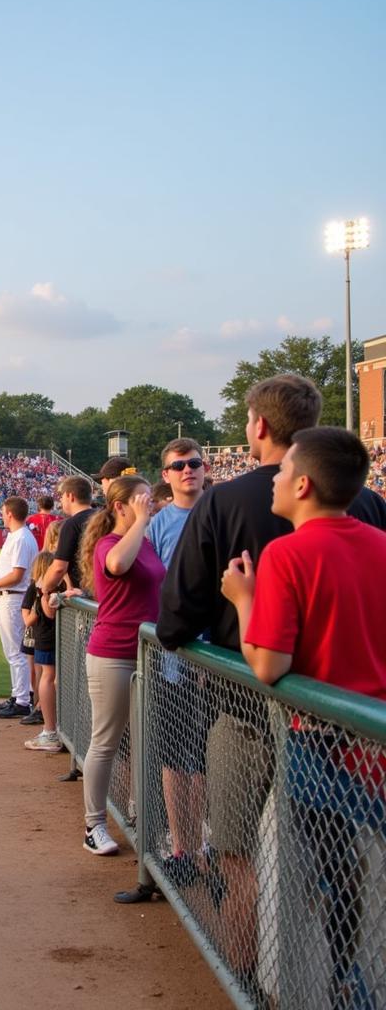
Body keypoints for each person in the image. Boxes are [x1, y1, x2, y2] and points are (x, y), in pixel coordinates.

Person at [155, 373, 386, 994]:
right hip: (351, 722)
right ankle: (342, 975)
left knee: (240, 856)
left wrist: (233, 610)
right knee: (337, 860)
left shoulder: (229, 502)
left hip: (252, 709)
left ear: (259, 425)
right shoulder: (366, 504)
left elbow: (176, 619)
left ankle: (244, 982)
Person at [221, 427, 386, 1010]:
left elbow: (268, 666)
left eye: (283, 467)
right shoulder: (381, 543)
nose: (274, 476)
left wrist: (243, 599)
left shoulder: (287, 552)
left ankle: (325, 990)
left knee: (314, 881)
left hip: (318, 745)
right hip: (376, 741)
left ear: (304, 484)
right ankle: (355, 982)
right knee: (363, 874)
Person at [78, 475, 164, 856]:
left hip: (147, 654)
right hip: (113, 653)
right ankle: (93, 825)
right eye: (142, 500)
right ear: (119, 506)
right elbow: (116, 564)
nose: (149, 505)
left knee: (148, 741)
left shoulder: (143, 542)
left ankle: (140, 813)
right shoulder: (111, 543)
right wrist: (142, 521)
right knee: (106, 741)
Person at [146, 439, 210, 882]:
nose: (189, 470)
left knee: (203, 759)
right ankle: (182, 845)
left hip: (216, 657)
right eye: (179, 466)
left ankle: (204, 847)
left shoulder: (220, 512)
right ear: (166, 475)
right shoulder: (158, 524)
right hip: (170, 655)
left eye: (195, 463)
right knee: (172, 756)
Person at [0, 497, 38, 719]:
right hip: (7, 598)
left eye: (3, 511)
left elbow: (18, 574)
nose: (1, 514)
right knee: (15, 652)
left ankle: (22, 701)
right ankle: (19, 694)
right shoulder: (16, 536)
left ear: (9, 513)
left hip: (14, 597)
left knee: (15, 652)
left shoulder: (21, 538)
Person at [22, 550, 65, 752]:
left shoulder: (43, 588)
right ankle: (54, 727)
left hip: (46, 638)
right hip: (48, 637)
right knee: (52, 677)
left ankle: (50, 729)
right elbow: (29, 618)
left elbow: (41, 615)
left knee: (48, 677)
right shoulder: (52, 586)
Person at [38, 475, 94, 595]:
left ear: (70, 496)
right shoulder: (104, 517)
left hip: (83, 592)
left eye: (62, 496)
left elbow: (59, 568)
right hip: (106, 590)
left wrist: (44, 588)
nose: (61, 500)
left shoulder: (71, 524)